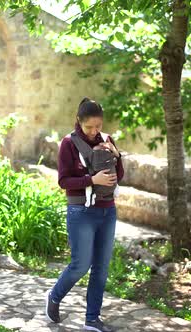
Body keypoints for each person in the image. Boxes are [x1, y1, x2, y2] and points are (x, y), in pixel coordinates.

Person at [45, 97, 124, 332]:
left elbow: (119, 174)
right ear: (79, 121)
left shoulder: (107, 140)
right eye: (89, 127)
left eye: (98, 126)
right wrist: (92, 180)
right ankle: (54, 296)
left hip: (107, 210)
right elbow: (64, 180)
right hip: (81, 211)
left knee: (101, 267)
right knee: (81, 264)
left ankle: (92, 319)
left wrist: (116, 156)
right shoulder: (69, 143)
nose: (94, 131)